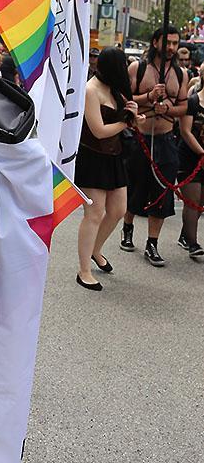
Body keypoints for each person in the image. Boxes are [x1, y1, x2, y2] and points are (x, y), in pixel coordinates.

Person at [75, 48, 144, 290]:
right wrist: (126, 122)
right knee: (94, 214)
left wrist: (133, 116)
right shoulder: (90, 90)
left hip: (113, 156)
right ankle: (84, 270)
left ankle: (96, 249)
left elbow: (118, 122)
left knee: (118, 210)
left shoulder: (114, 88)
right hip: (92, 157)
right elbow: (98, 130)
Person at [121, 26, 189, 266]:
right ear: (154, 42)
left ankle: (152, 243)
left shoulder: (181, 74)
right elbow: (124, 99)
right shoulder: (137, 69)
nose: (171, 48)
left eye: (174, 43)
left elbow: (183, 107)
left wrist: (168, 109)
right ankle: (127, 227)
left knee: (162, 193)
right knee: (135, 187)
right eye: (167, 43)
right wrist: (148, 98)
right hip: (140, 138)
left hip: (167, 139)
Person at [176, 72, 204, 256]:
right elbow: (185, 131)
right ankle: (193, 243)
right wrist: (202, 152)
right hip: (190, 156)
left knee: (201, 200)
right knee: (192, 201)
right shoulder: (192, 101)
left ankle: (185, 235)